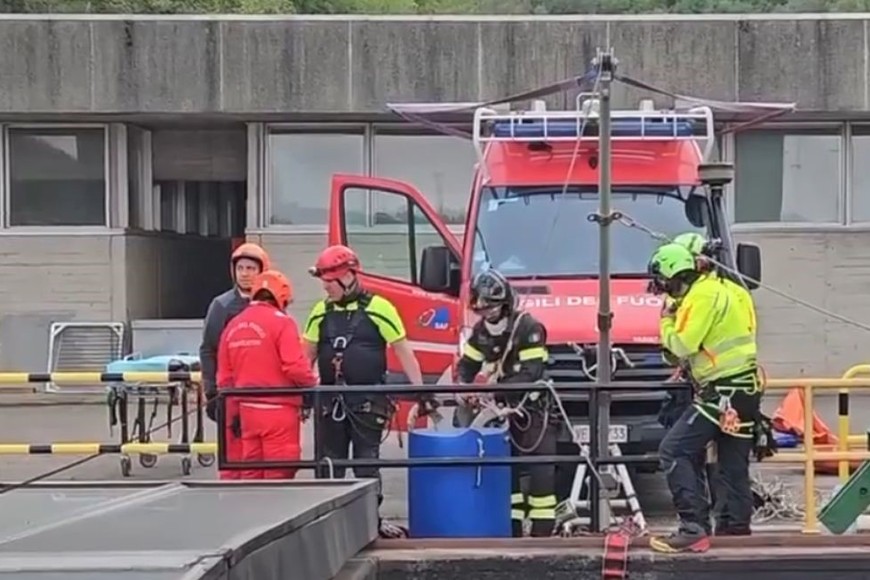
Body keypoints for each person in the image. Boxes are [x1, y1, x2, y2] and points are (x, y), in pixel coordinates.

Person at [302, 244, 426, 537]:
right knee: (329, 464)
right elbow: (304, 356)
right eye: (323, 282)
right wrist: (302, 396)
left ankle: (370, 523)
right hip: (330, 401)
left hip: (367, 402)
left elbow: (404, 351)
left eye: (330, 282)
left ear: (348, 277)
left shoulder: (379, 308)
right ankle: (327, 527)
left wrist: (422, 392)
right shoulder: (320, 312)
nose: (326, 288)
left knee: (365, 463)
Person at [646, 243, 762, 553]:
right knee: (732, 463)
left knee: (674, 450)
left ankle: (692, 527)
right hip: (746, 388)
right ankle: (736, 529)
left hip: (721, 392)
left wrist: (666, 321)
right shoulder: (733, 289)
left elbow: (683, 345)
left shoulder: (700, 296)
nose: (664, 291)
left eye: (662, 283)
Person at [456, 269, 557, 538]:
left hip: (533, 409)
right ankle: (509, 530)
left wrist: (495, 389)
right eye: (482, 309)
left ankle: (542, 533)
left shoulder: (528, 328)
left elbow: (531, 372)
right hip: (500, 413)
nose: (487, 314)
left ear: (505, 303)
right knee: (505, 471)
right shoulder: (481, 332)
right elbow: (466, 365)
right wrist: (465, 388)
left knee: (541, 471)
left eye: (492, 307)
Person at [216, 269, 317, 479]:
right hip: (279, 411)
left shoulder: (233, 325)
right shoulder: (283, 322)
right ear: (282, 298)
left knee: (250, 472)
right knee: (279, 472)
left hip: (246, 412)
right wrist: (312, 383)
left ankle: (251, 511)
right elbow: (294, 366)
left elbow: (224, 378)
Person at [199, 242, 271, 480]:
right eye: (241, 268)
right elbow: (209, 349)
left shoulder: (274, 303)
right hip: (231, 393)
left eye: (251, 268)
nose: (245, 273)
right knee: (234, 457)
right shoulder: (221, 306)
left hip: (264, 393)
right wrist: (211, 391)